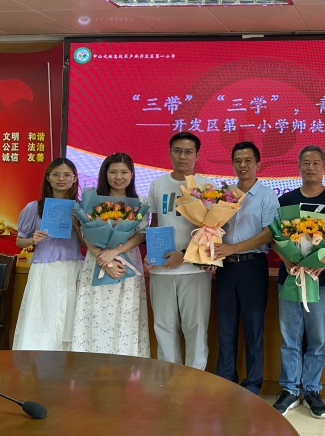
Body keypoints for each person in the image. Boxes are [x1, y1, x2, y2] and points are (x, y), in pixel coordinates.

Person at [272, 145, 325, 418]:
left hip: (320, 280)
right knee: (289, 336)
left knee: (317, 338)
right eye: (306, 162)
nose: (311, 167)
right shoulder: (286, 200)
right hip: (290, 277)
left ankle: (312, 389)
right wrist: (286, 259)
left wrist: (323, 260)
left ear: (324, 167)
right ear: (298, 166)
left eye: (316, 162)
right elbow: (275, 237)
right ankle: (289, 389)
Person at [212, 141, 279, 394]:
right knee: (226, 326)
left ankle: (252, 384)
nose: (242, 165)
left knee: (253, 327)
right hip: (225, 267)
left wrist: (234, 248)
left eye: (248, 160)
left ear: (257, 165)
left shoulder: (267, 195)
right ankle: (226, 379)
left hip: (253, 266)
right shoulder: (224, 195)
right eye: (237, 160)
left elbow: (268, 234)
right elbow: (213, 227)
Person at [71, 153, 150, 357]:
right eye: (113, 172)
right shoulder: (92, 201)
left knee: (125, 313)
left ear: (132, 174)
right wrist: (104, 259)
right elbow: (86, 233)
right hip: (96, 262)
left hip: (127, 263)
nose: (118, 177)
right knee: (95, 312)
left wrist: (114, 252)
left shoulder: (140, 202)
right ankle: (90, 361)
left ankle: (124, 361)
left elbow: (141, 234)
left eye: (124, 172)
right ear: (105, 174)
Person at [146, 132, 212, 369]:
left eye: (188, 152)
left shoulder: (206, 187)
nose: (182, 156)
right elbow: (154, 223)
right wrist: (151, 253)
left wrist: (184, 255)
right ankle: (168, 378)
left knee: (196, 327)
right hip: (161, 268)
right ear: (170, 153)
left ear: (197, 155)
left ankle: (195, 377)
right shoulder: (158, 184)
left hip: (194, 269)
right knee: (163, 326)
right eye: (177, 151)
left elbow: (211, 230)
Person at [13, 158, 83, 350]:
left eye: (67, 175)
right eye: (56, 174)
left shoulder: (81, 209)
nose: (61, 178)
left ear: (74, 179)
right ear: (48, 178)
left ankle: (68, 362)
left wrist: (77, 225)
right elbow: (20, 241)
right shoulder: (33, 208)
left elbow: (88, 243)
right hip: (44, 271)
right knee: (42, 319)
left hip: (72, 268)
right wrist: (32, 240)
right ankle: (38, 362)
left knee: (69, 319)